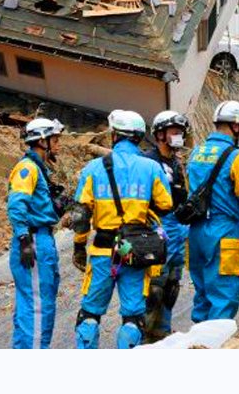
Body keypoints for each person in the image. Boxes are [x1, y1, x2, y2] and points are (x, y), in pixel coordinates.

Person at [72, 110, 173, 349]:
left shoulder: (94, 168)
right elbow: (166, 205)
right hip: (135, 253)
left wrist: (78, 246)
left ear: (114, 136)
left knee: (89, 314)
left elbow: (81, 215)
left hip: (102, 253)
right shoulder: (150, 167)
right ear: (138, 138)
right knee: (133, 317)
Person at [186, 101, 239, 322]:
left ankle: (198, 344)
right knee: (224, 296)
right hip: (222, 233)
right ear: (237, 126)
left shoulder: (196, 153)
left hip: (195, 230)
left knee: (202, 294)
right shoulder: (237, 157)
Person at [6, 117, 65, 349]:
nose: (58, 143)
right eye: (54, 139)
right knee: (38, 308)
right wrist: (24, 238)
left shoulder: (38, 168)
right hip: (34, 240)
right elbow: (16, 204)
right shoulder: (27, 168)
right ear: (42, 141)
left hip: (40, 237)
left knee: (31, 306)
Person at [142, 110, 191, 342]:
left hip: (179, 227)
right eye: (175, 132)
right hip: (158, 226)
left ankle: (163, 332)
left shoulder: (177, 162)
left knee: (172, 285)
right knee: (156, 285)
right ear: (160, 134)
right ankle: (146, 335)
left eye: (181, 132)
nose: (179, 136)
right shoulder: (149, 162)